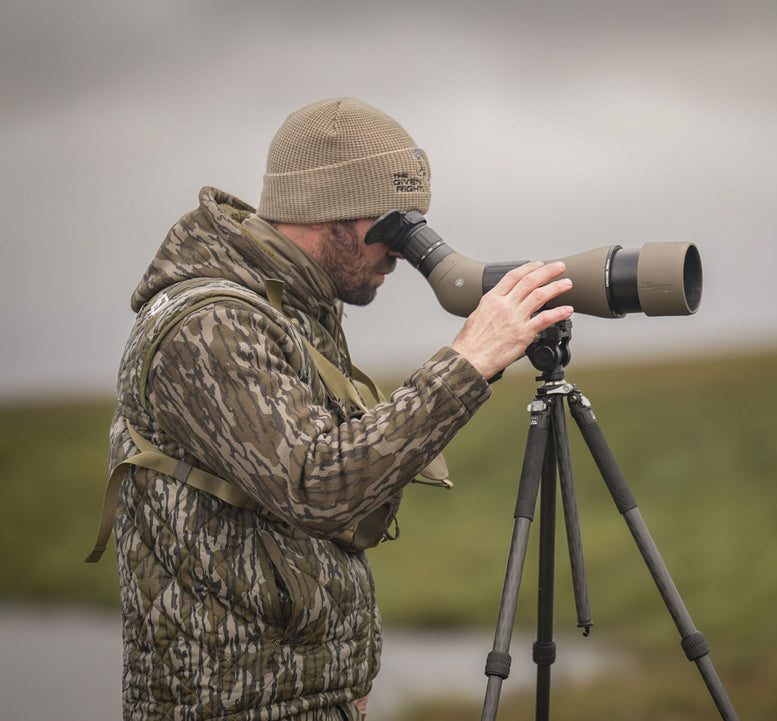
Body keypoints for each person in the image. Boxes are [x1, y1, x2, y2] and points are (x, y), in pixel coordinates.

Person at [92, 97, 573, 720]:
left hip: (302, 698)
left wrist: (340, 674)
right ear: (329, 212)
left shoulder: (290, 310)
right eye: (392, 226)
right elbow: (317, 486)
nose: (403, 252)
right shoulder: (210, 325)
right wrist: (467, 362)